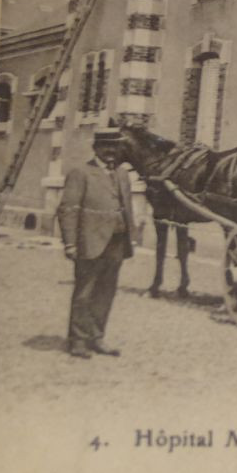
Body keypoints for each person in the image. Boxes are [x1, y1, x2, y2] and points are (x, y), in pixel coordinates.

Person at [58, 126, 137, 360]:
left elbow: (127, 206)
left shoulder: (122, 174)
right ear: (96, 148)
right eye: (106, 147)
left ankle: (97, 337)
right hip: (89, 241)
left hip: (117, 241)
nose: (111, 151)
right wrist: (70, 243)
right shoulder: (80, 173)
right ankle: (78, 341)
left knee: (107, 291)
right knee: (85, 291)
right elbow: (68, 209)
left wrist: (131, 236)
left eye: (115, 147)